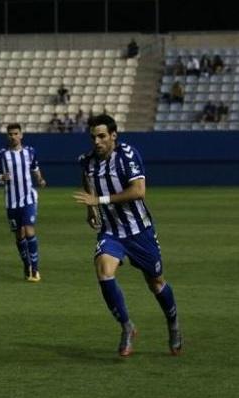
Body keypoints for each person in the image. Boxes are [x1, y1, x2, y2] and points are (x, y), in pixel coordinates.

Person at [73, 114, 183, 357]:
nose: (97, 142)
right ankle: (127, 326)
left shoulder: (127, 155)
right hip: (111, 232)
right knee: (103, 270)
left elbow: (139, 191)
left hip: (139, 231)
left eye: (102, 136)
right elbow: (87, 181)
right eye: (93, 137)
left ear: (113, 136)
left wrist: (98, 200)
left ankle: (173, 324)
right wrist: (91, 210)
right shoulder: (87, 161)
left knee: (155, 282)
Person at [0, 123, 47, 282]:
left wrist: (40, 179)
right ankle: (26, 264)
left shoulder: (30, 152)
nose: (13, 136)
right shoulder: (1, 154)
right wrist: (1, 177)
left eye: (16, 133)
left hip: (28, 198)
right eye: (10, 134)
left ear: (21, 135)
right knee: (19, 236)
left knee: (29, 231)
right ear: (7, 136)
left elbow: (35, 167)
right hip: (11, 202)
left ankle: (35, 269)